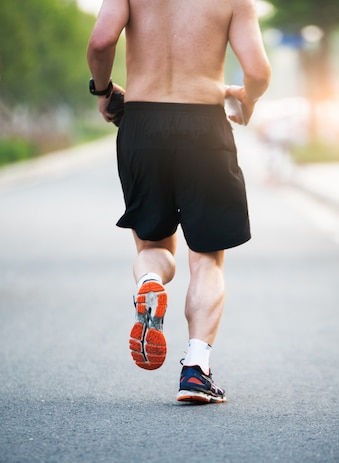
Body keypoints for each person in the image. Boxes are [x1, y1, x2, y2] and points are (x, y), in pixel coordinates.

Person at [87, 0, 271, 404]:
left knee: (153, 246)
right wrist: (247, 98)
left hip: (141, 125)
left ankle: (148, 284)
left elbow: (101, 41)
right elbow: (258, 71)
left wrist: (103, 91)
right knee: (206, 257)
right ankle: (195, 369)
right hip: (203, 125)